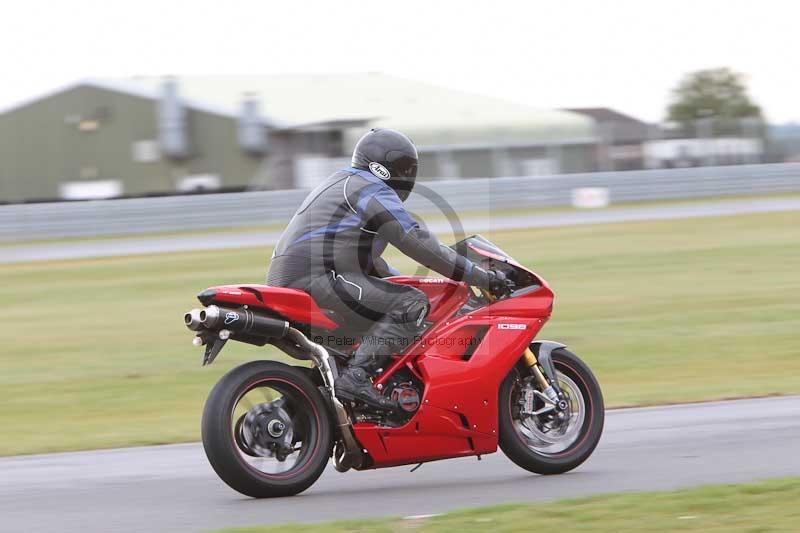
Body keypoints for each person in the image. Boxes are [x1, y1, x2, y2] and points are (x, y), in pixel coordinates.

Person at [267, 128, 507, 411]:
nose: (407, 176)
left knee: (387, 310)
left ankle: (334, 394)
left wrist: (423, 284)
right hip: (318, 277)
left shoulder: (342, 182)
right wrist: (480, 276)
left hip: (298, 276)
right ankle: (357, 378)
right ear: (387, 167)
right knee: (411, 303)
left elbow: (369, 263)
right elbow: (415, 240)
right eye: (405, 168)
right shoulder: (371, 189)